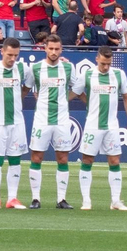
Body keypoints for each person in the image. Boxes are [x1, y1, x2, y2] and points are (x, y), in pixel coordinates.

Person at [74, 46, 127, 211]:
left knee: (115, 161)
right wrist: (89, 102)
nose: (106, 67)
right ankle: (86, 201)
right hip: (92, 125)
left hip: (112, 126)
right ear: (97, 59)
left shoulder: (118, 75)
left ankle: (115, 201)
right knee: (87, 160)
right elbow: (75, 93)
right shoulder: (87, 74)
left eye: (108, 63)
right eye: (103, 63)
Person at [24, 35, 79, 209]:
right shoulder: (36, 68)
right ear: (45, 48)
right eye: (51, 49)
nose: (54, 52)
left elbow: (76, 89)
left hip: (62, 120)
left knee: (63, 158)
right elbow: (26, 88)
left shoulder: (69, 68)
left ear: (61, 49)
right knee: (36, 157)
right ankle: (35, 198)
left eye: (57, 49)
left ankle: (61, 199)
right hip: (41, 119)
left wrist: (64, 99)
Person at [0, 37, 32, 208]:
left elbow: (28, 85)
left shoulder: (22, 68)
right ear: (2, 51)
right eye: (10, 55)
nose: (13, 59)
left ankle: (12, 198)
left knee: (15, 160)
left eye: (16, 55)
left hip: (17, 122)